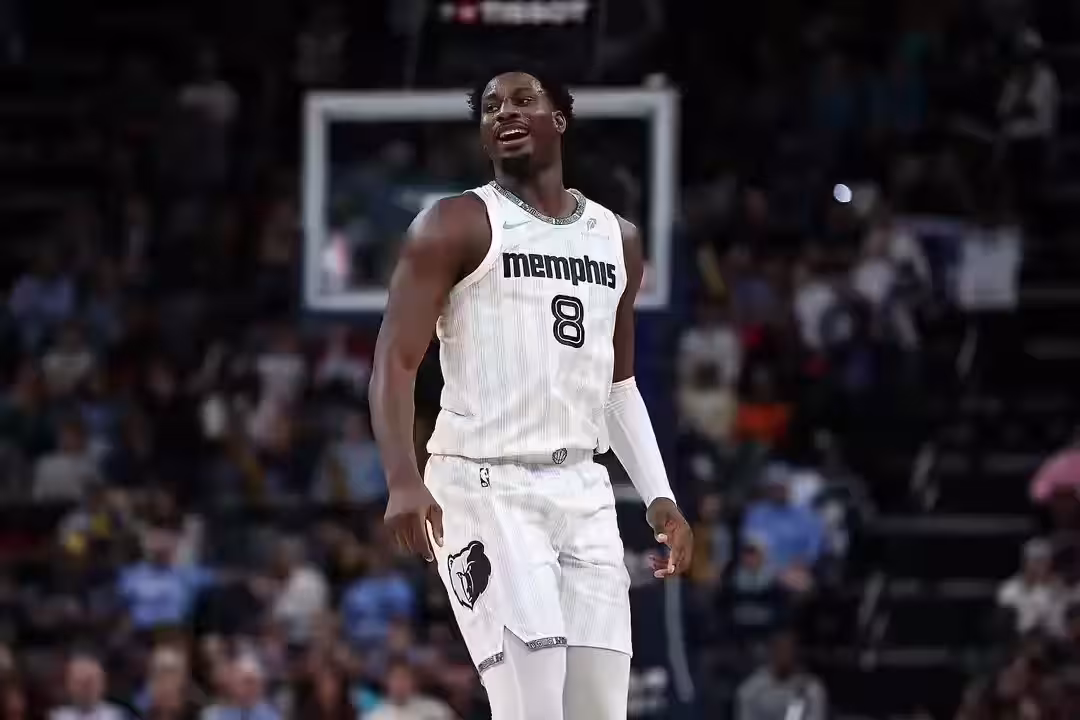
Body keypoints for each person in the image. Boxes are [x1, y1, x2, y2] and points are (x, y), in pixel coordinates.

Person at [369, 69, 693, 720]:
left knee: (597, 711)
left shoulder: (618, 239)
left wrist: (661, 495)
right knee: (532, 706)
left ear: (559, 120)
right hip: (482, 484)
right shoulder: (454, 223)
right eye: (491, 107)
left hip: (582, 489)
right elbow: (394, 362)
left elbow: (617, 385)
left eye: (523, 100)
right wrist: (402, 477)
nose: (505, 113)